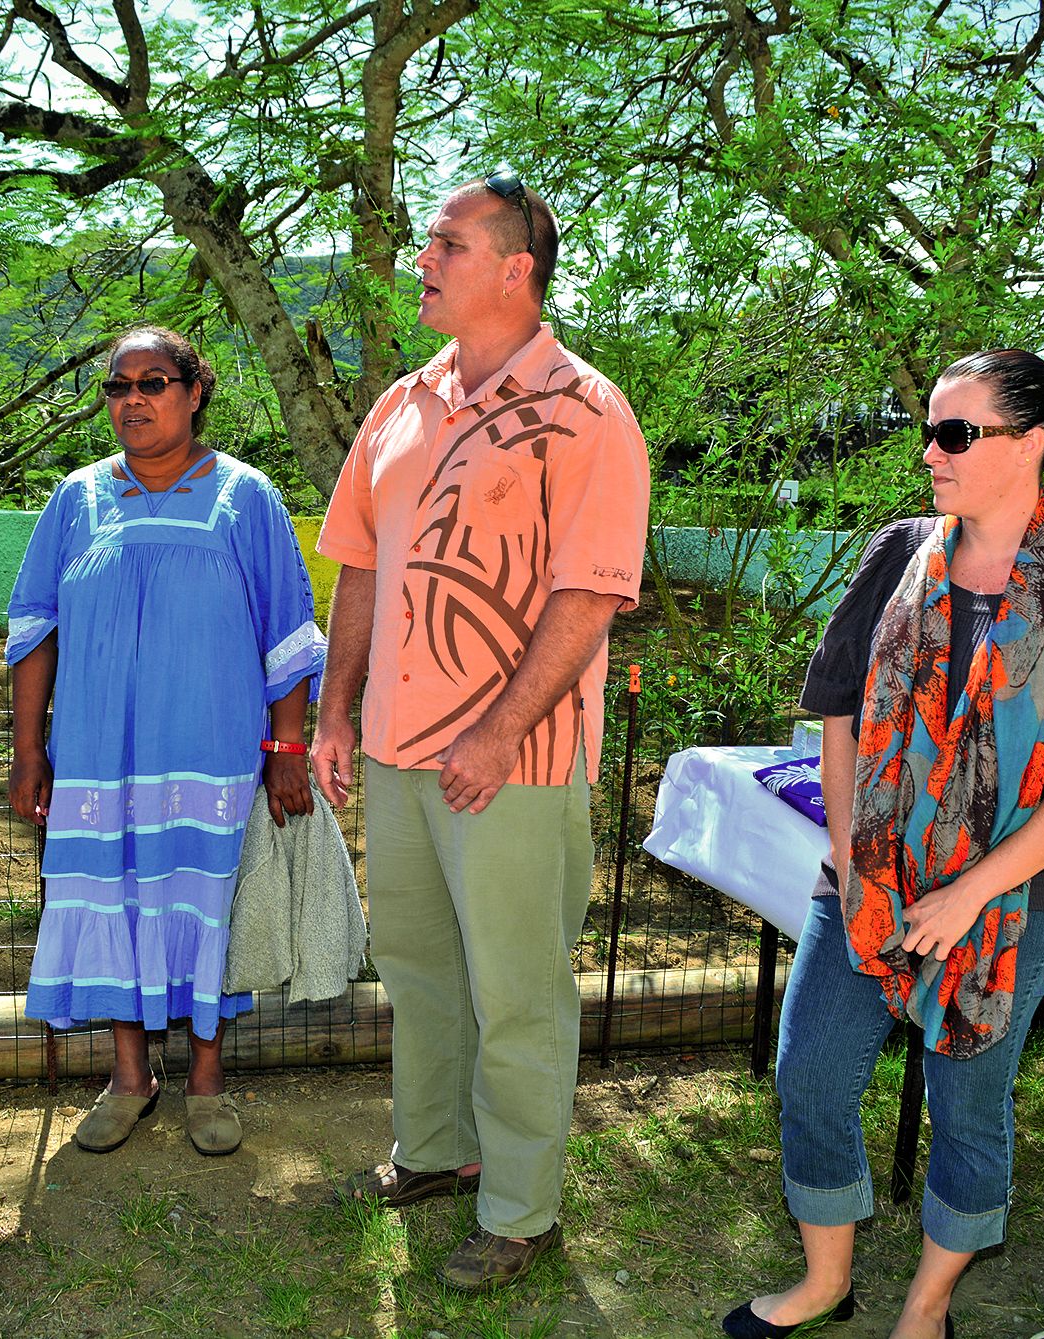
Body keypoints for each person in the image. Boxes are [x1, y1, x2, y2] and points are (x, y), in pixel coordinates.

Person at [727, 350, 1044, 1339]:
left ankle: (926, 1304)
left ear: (1031, 442)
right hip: (866, 882)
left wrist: (967, 893)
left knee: (968, 1103)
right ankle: (825, 1280)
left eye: (954, 433)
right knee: (810, 1077)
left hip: (1010, 901)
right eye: (927, 427)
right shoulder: (898, 552)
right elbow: (835, 709)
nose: (929, 450)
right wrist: (845, 848)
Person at [310, 167, 650, 1292]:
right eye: (427, 242)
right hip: (398, 751)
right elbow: (358, 560)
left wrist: (499, 732)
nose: (423, 259)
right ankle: (435, 1152)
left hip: (514, 761)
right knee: (418, 969)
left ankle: (519, 1208)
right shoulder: (401, 403)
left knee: (517, 991)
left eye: (445, 243)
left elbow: (589, 593)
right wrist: (335, 712)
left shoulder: (588, 411)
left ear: (515, 269)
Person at [5, 325, 324, 1158]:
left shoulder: (245, 496)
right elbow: (34, 629)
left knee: (201, 900)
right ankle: (129, 1076)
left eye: (153, 381)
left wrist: (287, 750)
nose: (133, 399)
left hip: (211, 750)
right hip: (97, 754)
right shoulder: (76, 499)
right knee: (112, 894)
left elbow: (285, 632)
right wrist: (29, 750)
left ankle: (208, 1081)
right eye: (118, 386)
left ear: (193, 392)